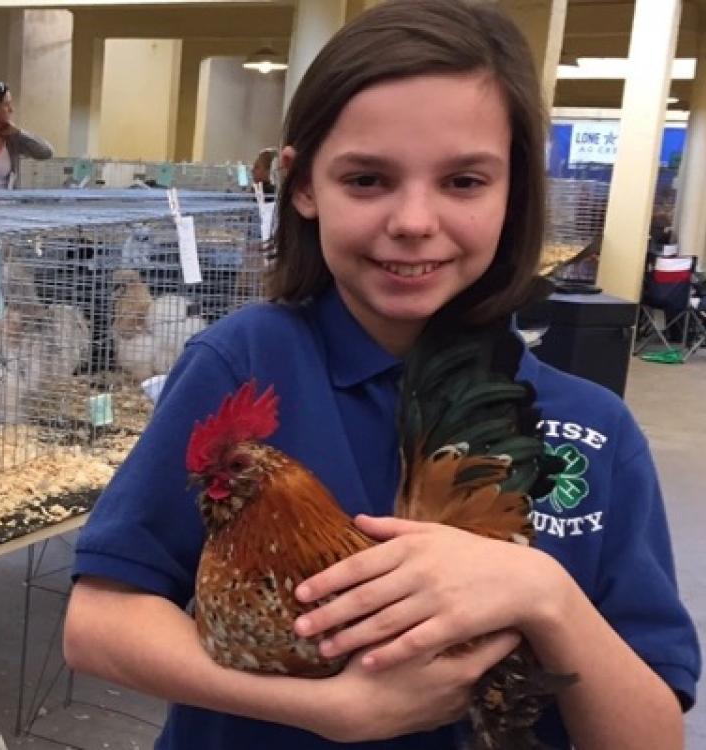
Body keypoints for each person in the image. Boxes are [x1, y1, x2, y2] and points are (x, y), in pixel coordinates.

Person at [64, 1, 700, 748]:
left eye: (463, 181)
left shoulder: (596, 430)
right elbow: (99, 624)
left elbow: (652, 736)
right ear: (303, 187)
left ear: (514, 191)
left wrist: (544, 594)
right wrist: (331, 710)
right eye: (368, 179)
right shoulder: (247, 363)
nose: (413, 220)